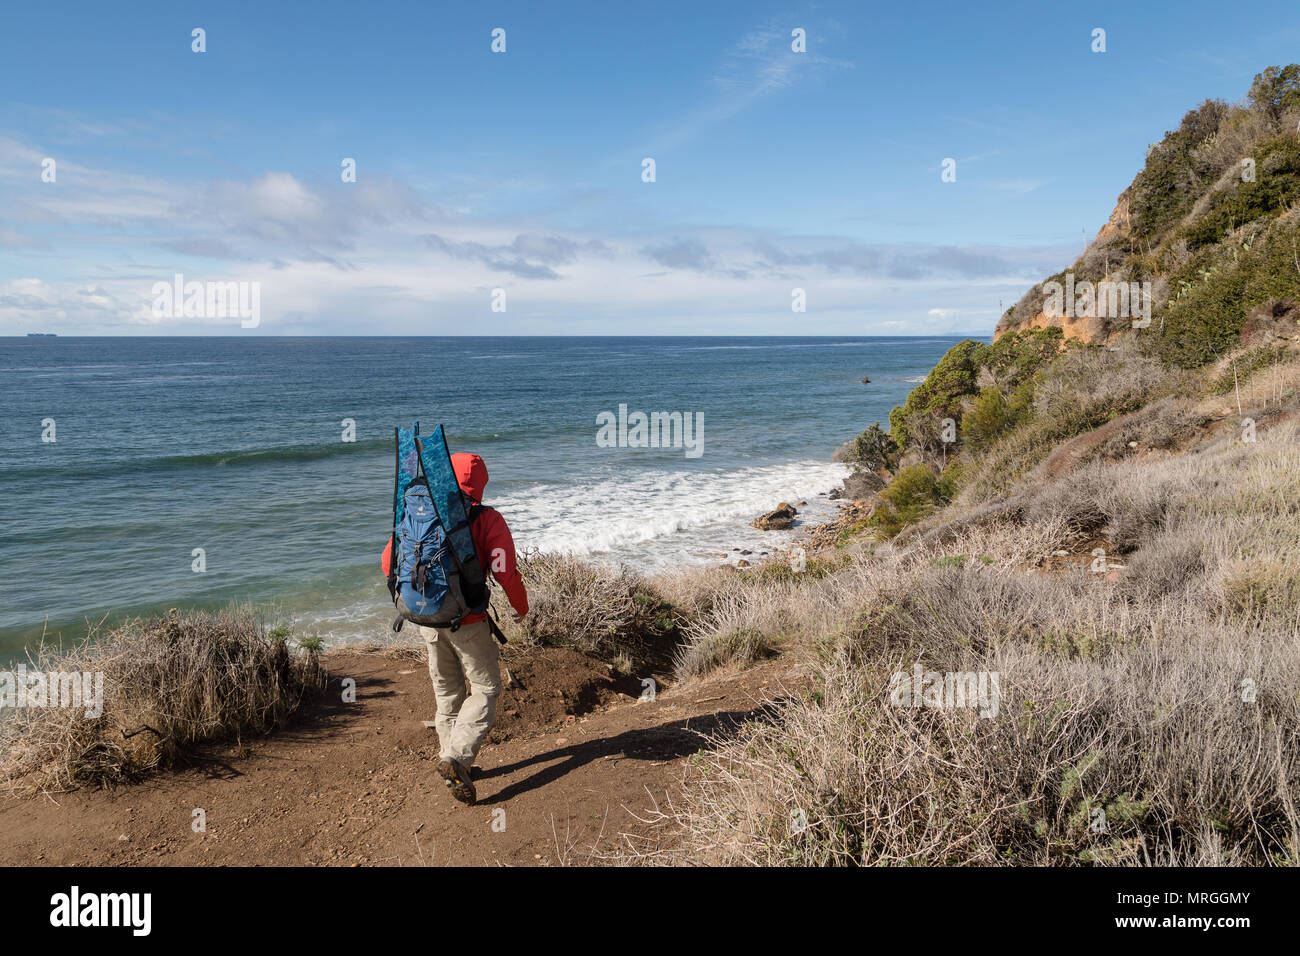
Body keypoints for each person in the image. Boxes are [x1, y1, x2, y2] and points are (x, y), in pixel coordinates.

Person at [380, 452, 528, 805]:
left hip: (426, 616)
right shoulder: (485, 517)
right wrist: (520, 607)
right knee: (486, 690)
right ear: (480, 483)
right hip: (469, 622)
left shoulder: (418, 510)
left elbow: (389, 560)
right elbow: (504, 569)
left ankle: (454, 765)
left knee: (447, 694)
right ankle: (456, 759)